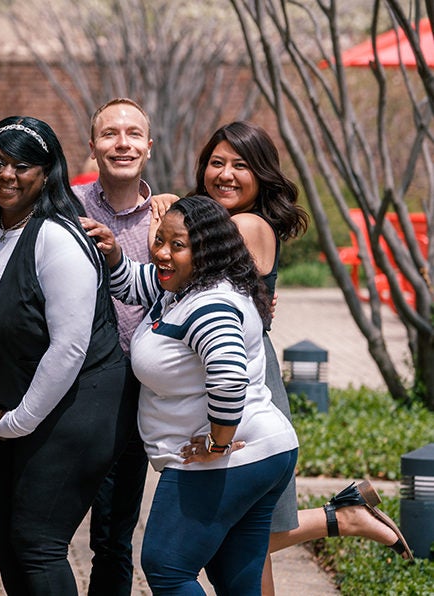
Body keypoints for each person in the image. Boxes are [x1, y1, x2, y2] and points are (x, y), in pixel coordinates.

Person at [192, 121, 413, 592]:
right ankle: (345, 516)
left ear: (262, 176)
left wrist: (163, 219)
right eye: (217, 163)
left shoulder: (244, 225)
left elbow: (182, 275)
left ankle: (344, 518)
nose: (225, 174)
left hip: (243, 381)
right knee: (248, 539)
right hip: (222, 374)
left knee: (228, 536)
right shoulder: (220, 223)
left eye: (240, 165)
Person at [0, 116, 136, 594]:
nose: (7, 175)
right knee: (4, 539)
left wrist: (18, 421)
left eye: (22, 165)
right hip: (10, 411)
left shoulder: (56, 235)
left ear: (47, 171)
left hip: (76, 407)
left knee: (37, 541)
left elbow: (69, 347)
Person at [101, 194, 300, 594]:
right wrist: (114, 251)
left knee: (166, 567)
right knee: (234, 577)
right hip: (263, 451)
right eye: (159, 240)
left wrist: (216, 443)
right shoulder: (184, 286)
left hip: (229, 458)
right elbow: (132, 282)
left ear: (205, 250)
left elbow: (228, 377)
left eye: (178, 245)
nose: (162, 253)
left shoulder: (209, 303)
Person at [73, 97, 156, 596]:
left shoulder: (170, 217)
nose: (121, 143)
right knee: (43, 529)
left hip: (139, 392)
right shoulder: (66, 207)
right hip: (73, 388)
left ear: (148, 145)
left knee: (113, 535)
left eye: (132, 134)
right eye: (110, 134)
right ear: (93, 146)